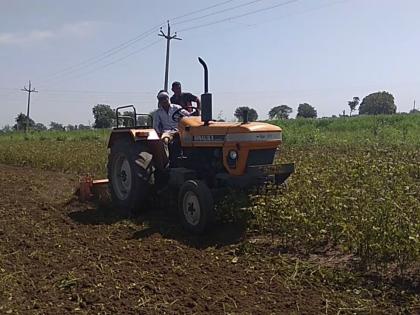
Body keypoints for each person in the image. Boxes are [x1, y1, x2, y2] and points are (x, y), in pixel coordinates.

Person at [153, 90, 189, 167]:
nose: (164, 101)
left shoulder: (176, 107)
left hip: (179, 130)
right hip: (168, 132)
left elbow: (188, 116)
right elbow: (156, 126)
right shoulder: (158, 113)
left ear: (168, 98)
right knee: (164, 141)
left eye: (165, 98)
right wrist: (159, 133)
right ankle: (167, 162)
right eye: (161, 99)